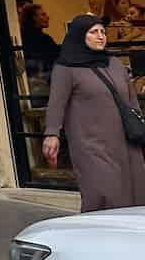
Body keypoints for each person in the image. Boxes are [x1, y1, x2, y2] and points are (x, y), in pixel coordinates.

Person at [43, 14, 145, 212]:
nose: (101, 37)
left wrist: (140, 129)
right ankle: (97, 238)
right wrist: (52, 133)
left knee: (135, 192)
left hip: (125, 141)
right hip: (91, 144)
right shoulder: (66, 68)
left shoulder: (113, 63)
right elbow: (56, 103)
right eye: (94, 32)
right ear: (80, 36)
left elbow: (131, 100)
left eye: (103, 32)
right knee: (105, 193)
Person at [19, 3, 61, 77]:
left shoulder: (41, 38)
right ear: (34, 17)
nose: (47, 17)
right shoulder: (39, 39)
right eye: (43, 14)